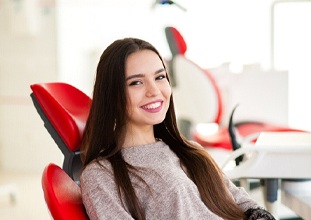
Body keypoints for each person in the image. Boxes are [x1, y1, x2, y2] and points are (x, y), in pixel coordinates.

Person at [80, 37, 275, 220]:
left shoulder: (190, 151)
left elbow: (243, 203)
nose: (154, 91)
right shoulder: (101, 175)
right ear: (112, 95)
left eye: (160, 77)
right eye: (136, 82)